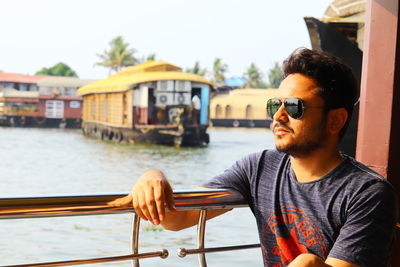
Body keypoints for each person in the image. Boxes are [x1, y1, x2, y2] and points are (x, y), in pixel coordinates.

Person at [114, 48, 398, 267]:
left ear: (335, 120)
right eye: (275, 104)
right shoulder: (259, 169)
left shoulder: (367, 192)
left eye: (295, 107)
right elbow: (179, 219)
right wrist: (152, 178)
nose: (278, 116)